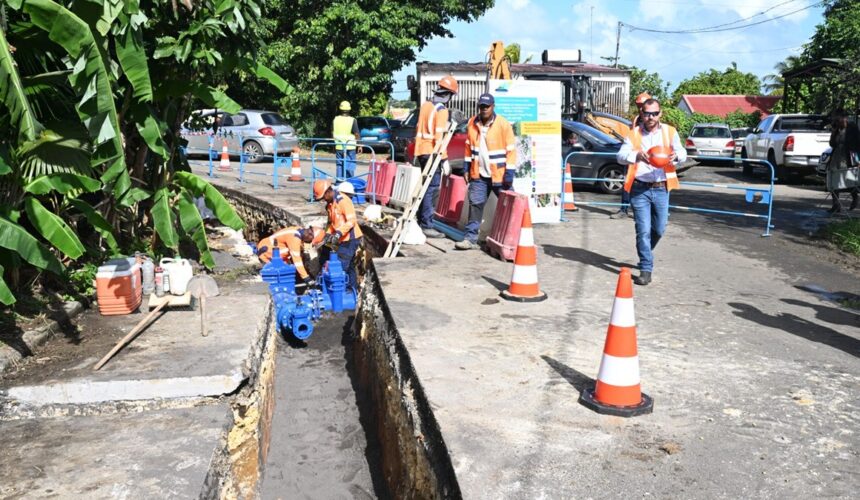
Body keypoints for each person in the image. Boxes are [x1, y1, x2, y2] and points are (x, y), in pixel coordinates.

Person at [617, 98, 686, 286]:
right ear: (642, 113)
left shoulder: (670, 132)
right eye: (647, 113)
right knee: (643, 230)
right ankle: (646, 268)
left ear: (660, 114)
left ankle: (646, 252)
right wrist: (636, 155)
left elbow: (683, 153)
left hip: (662, 188)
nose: (651, 117)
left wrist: (676, 156)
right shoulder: (633, 134)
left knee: (659, 229)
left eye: (654, 113)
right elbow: (620, 156)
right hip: (640, 189)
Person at [454, 93, 517, 250]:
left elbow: (511, 151)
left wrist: (509, 174)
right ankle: (470, 239)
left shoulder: (503, 124)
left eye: (487, 107)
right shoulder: (472, 123)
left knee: (509, 205)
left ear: (493, 107)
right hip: (479, 174)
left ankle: (516, 239)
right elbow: (469, 148)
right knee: (475, 205)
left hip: (500, 175)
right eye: (481, 106)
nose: (483, 110)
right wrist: (466, 168)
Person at [415, 75, 459, 238]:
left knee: (424, 187)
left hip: (421, 150)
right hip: (432, 152)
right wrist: (445, 159)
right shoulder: (442, 111)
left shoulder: (426, 105)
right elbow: (439, 138)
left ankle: (421, 220)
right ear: (448, 95)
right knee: (432, 188)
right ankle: (427, 224)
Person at [313, 179, 364, 291]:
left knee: (340, 267)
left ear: (328, 192)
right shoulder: (330, 205)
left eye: (323, 197)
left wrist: (338, 233)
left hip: (349, 239)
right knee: (345, 264)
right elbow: (332, 223)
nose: (323, 200)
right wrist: (326, 235)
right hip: (339, 238)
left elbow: (351, 221)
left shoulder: (343, 201)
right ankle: (352, 290)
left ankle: (341, 293)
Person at [609, 92, 651, 220]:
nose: (639, 108)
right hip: (633, 158)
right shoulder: (637, 120)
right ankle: (624, 209)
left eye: (641, 105)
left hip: (647, 159)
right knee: (628, 184)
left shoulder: (652, 119)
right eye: (638, 105)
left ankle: (645, 211)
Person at [256, 226, 326, 287]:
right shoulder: (294, 238)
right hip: (266, 253)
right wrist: (306, 278)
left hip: (267, 247)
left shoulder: (299, 230)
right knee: (284, 273)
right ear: (310, 235)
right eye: (310, 241)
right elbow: (297, 260)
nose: (308, 242)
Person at [826, 109, 860, 214]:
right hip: (837, 155)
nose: (835, 119)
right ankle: (836, 205)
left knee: (846, 179)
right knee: (832, 178)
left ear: (843, 117)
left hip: (848, 156)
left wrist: (858, 159)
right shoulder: (837, 128)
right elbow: (832, 144)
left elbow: (858, 143)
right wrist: (834, 131)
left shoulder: (852, 127)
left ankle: (855, 197)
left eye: (837, 117)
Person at [332, 101, 360, 178]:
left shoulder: (336, 119)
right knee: (350, 165)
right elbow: (356, 134)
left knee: (339, 165)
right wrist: (360, 145)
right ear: (349, 109)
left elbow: (333, 133)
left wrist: (333, 145)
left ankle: (339, 182)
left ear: (340, 109)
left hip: (339, 146)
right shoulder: (352, 120)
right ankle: (349, 182)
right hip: (350, 147)